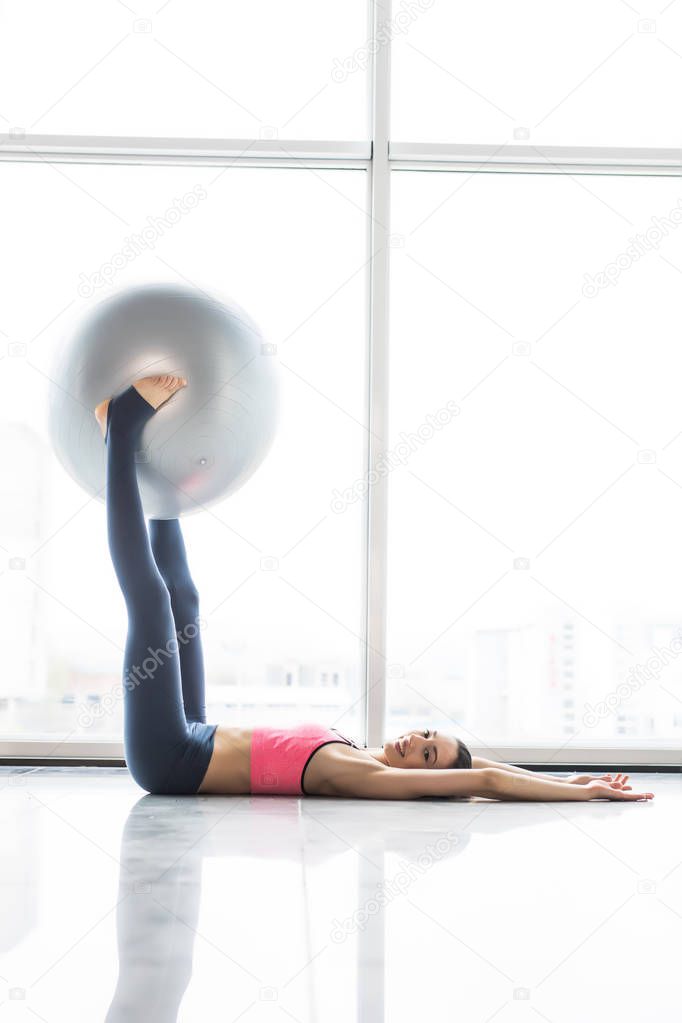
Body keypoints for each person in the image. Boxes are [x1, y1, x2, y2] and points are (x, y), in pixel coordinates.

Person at [96, 375, 655, 804]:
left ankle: (120, 430)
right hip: (196, 729)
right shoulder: (363, 751)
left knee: (150, 602)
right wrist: (566, 775)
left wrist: (582, 795)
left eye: (427, 755)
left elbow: (479, 779)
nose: (417, 741)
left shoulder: (364, 776)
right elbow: (480, 765)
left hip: (169, 759)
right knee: (184, 603)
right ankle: (156, 484)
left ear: (424, 782)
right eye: (429, 735)